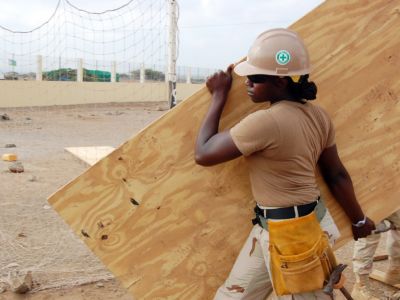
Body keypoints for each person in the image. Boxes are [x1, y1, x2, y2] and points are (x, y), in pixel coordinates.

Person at [195, 28, 375, 299]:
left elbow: (204, 153)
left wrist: (219, 95)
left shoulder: (265, 122)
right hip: (279, 228)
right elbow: (336, 174)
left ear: (280, 82)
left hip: (296, 238)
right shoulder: (319, 116)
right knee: (231, 296)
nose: (247, 84)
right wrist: (358, 219)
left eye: (255, 78)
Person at [351, 210, 400, 300]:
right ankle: (361, 287)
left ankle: (396, 270)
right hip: (371, 200)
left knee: (399, 224)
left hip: (395, 197)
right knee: (368, 235)